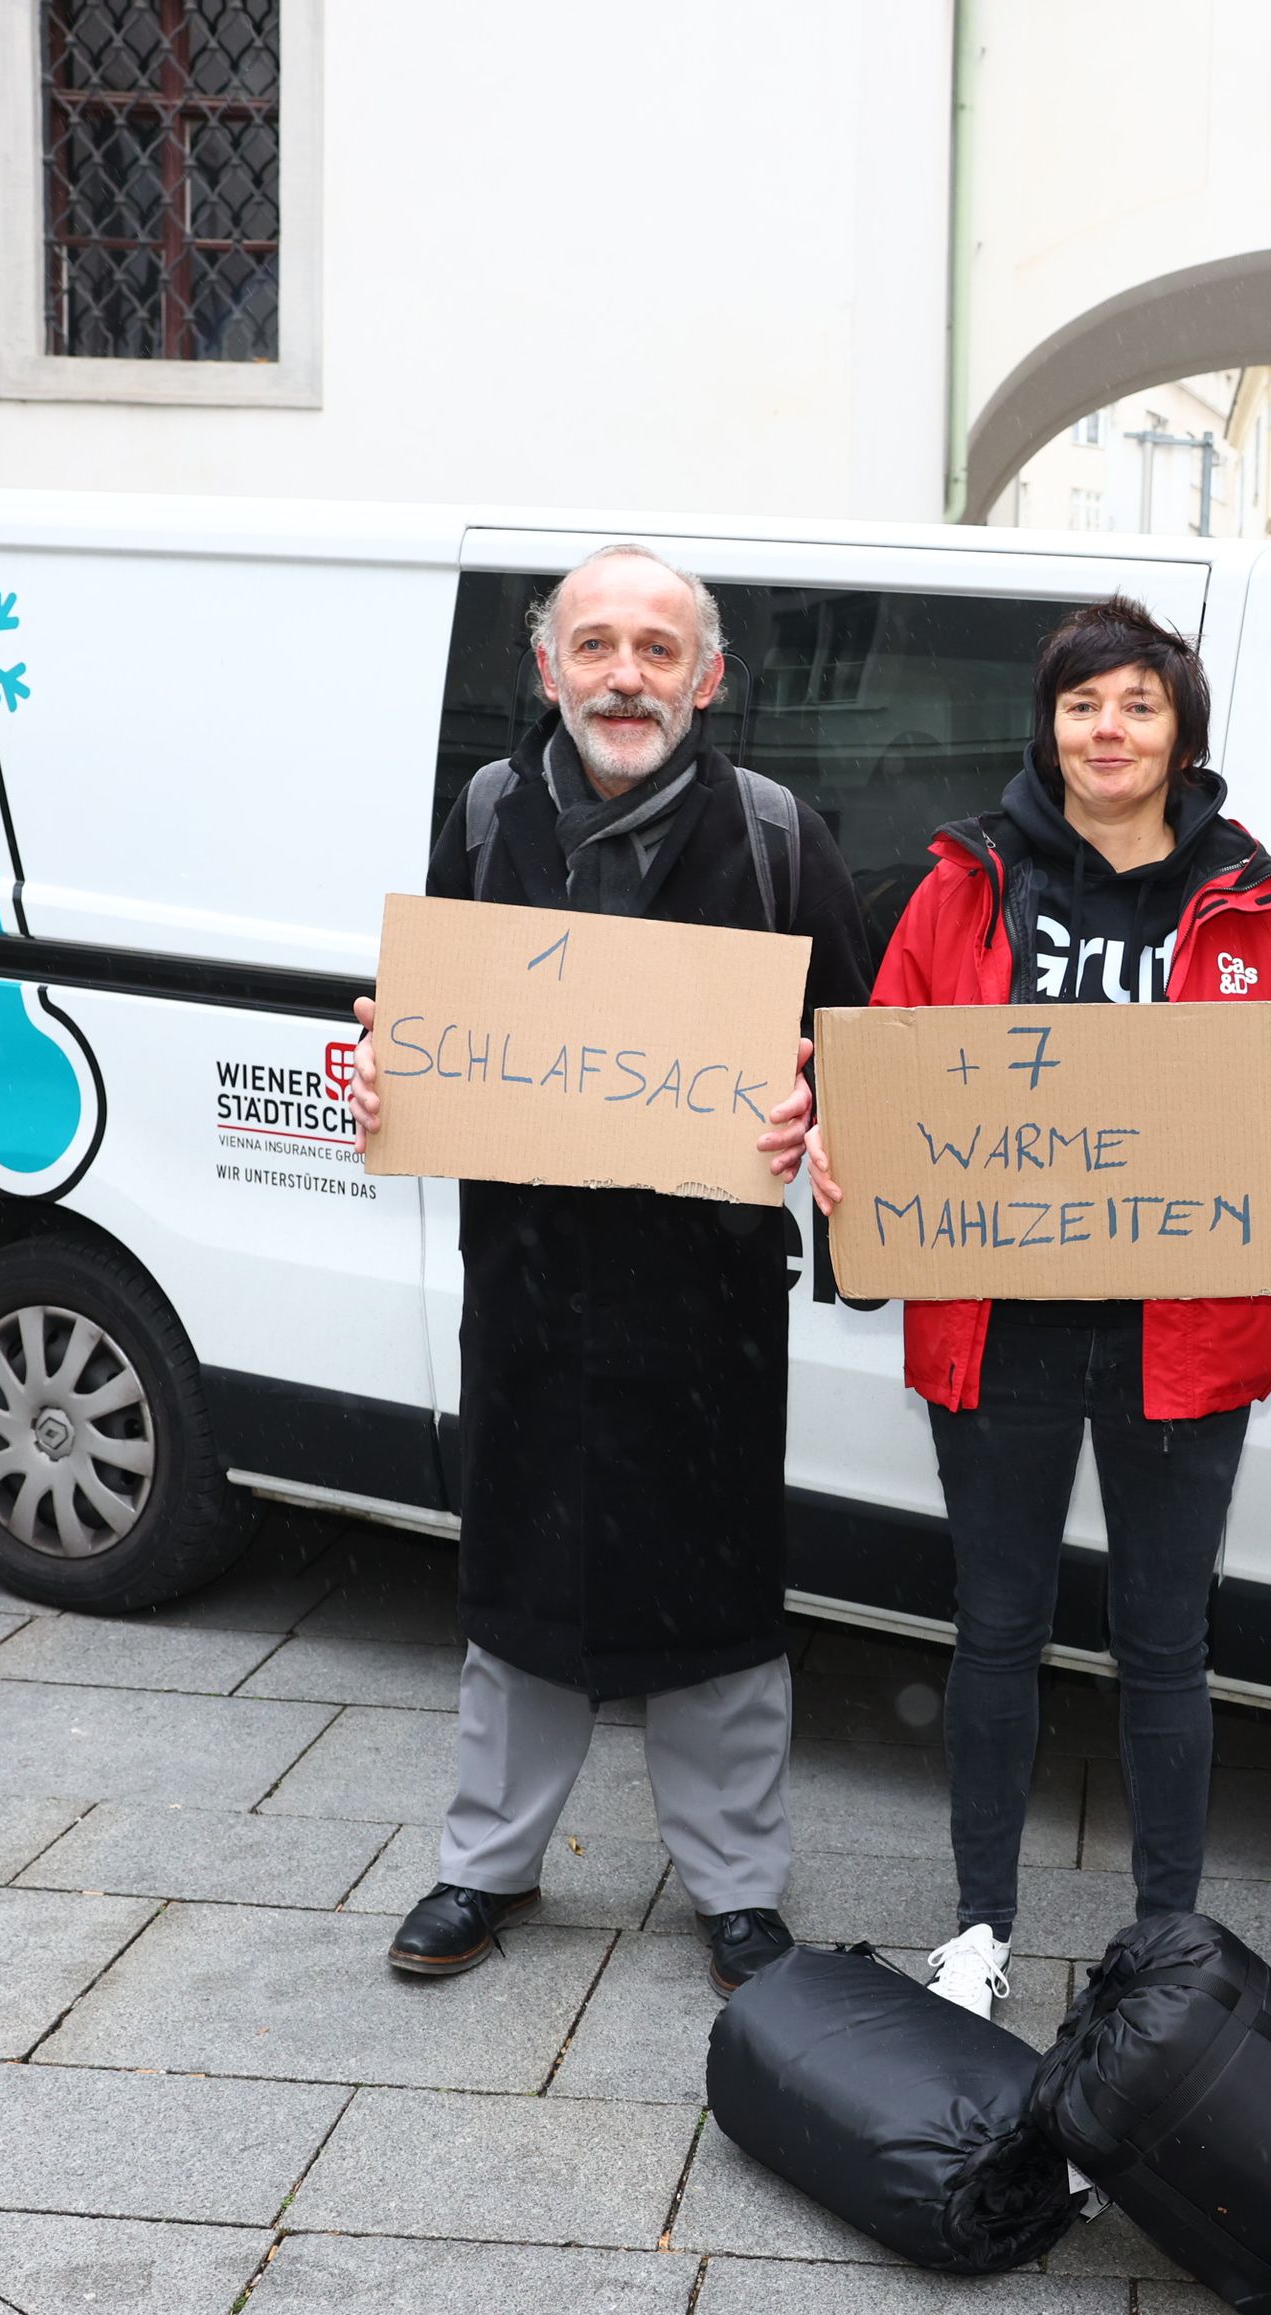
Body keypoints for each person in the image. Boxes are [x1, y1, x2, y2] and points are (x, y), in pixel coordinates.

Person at [809, 597, 1271, 2018]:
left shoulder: (1251, 898)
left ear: (1181, 732)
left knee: (1166, 1644)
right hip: (1000, 1321)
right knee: (995, 1628)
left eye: (1136, 704)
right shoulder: (963, 885)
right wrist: (845, 1147)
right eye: (1080, 704)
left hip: (1184, 1329)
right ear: (1047, 726)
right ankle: (978, 1928)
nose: (1107, 730)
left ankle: (1165, 1943)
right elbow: (886, 1067)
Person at [339, 544, 867, 1993]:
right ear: (547, 667)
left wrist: (817, 1112)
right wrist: (388, 1077)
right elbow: (426, 1036)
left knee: (718, 1597)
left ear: (708, 678)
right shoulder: (486, 814)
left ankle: (738, 1891)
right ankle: (485, 1865)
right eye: (594, 646)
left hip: (706, 1303)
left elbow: (862, 1054)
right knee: (516, 1577)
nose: (624, 677)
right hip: (527, 1282)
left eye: (656, 649)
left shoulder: (777, 837)